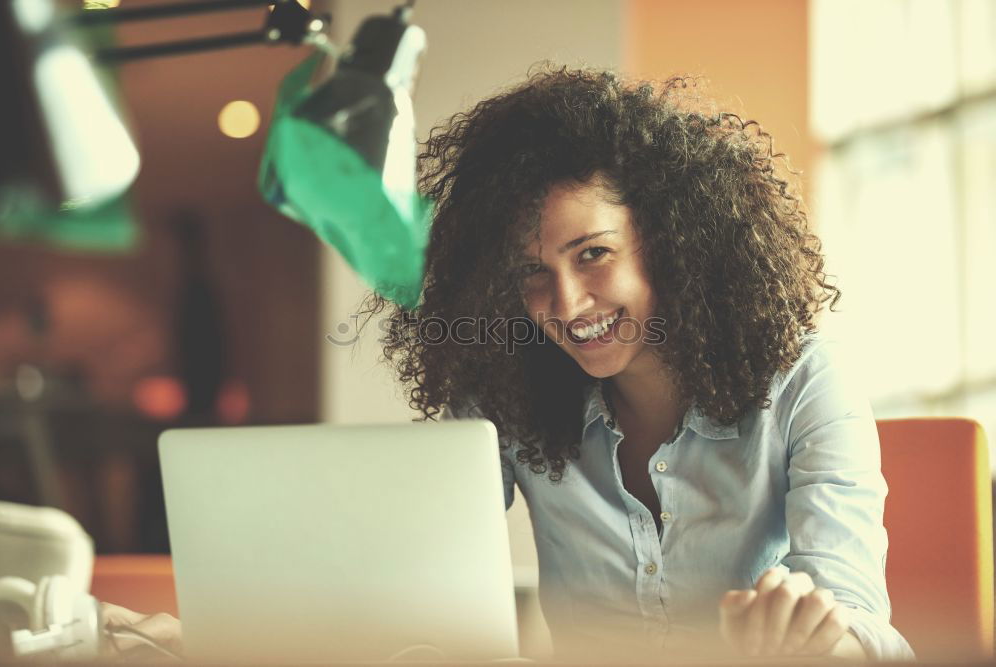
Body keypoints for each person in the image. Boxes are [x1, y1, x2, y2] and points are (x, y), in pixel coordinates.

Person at [362, 65, 914, 662]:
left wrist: (812, 641)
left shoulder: (803, 382)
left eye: (593, 253)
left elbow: (865, 630)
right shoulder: (502, 401)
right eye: (531, 271)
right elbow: (426, 589)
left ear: (673, 238)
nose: (567, 304)